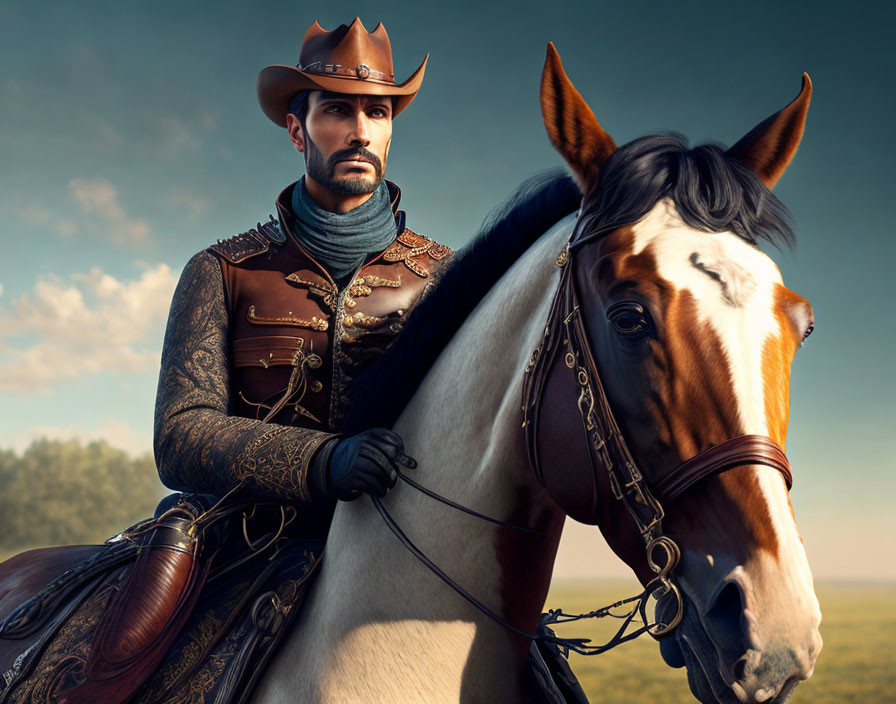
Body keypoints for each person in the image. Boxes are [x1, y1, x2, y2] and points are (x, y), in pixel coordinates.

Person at [153, 17, 452, 532]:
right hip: (241, 541)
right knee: (142, 600)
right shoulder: (221, 272)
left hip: (410, 542)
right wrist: (320, 461)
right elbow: (180, 438)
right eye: (337, 109)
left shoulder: (448, 276)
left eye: (376, 112)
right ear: (297, 131)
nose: (360, 131)